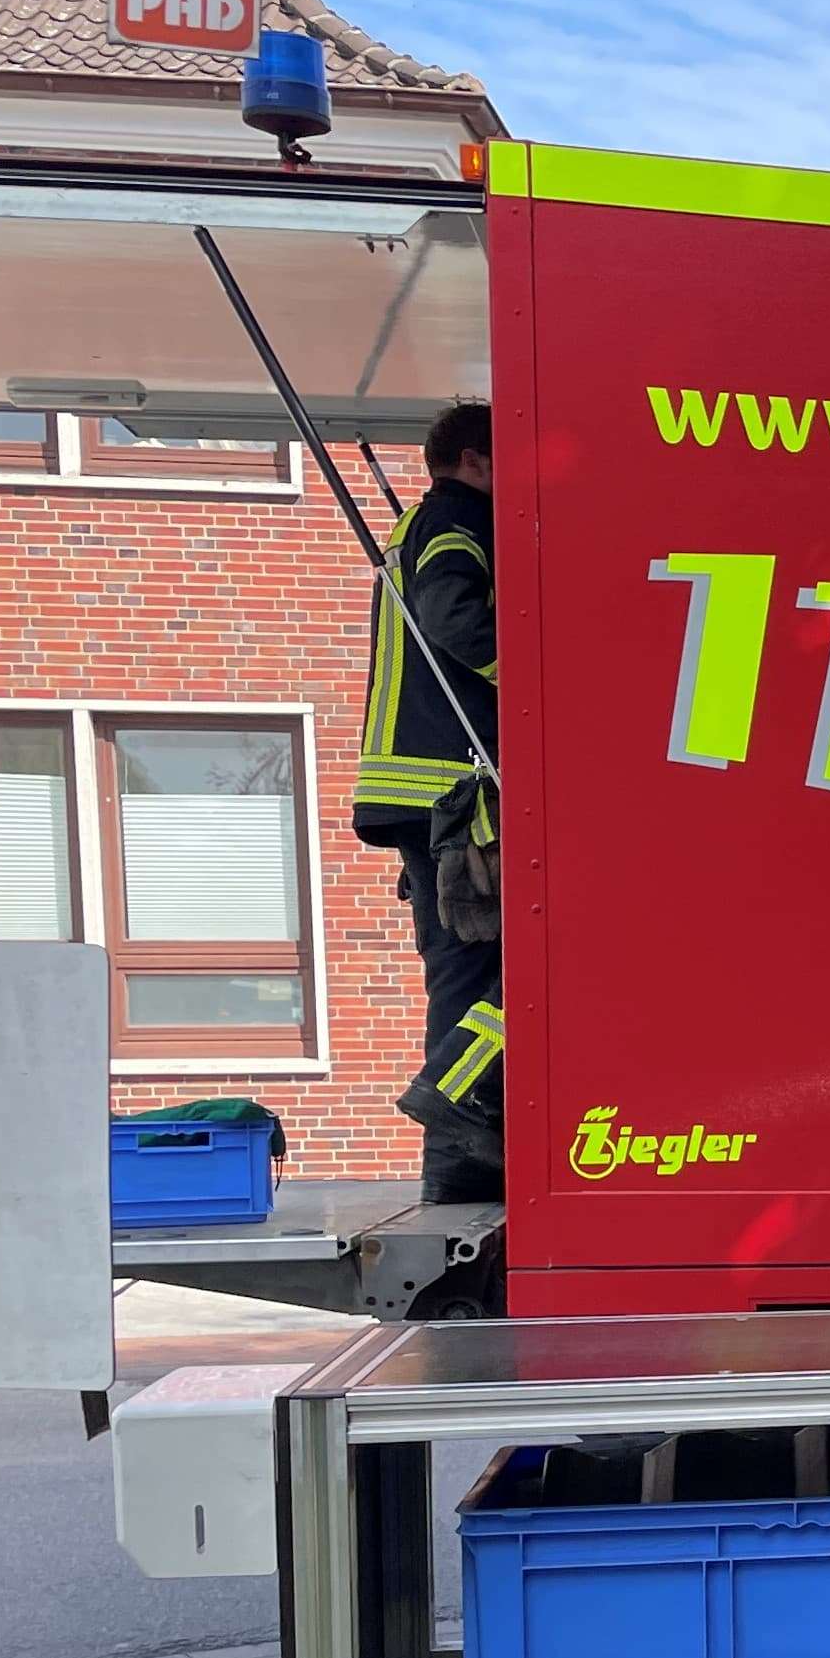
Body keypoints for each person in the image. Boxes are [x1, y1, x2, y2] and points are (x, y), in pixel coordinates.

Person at [350, 401, 502, 1202]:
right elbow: (456, 620)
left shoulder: (419, 523)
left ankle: (456, 1167)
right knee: (528, 961)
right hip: (453, 790)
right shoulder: (457, 520)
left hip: (422, 795)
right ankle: (454, 1096)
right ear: (474, 460)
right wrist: (549, 678)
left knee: (461, 974)